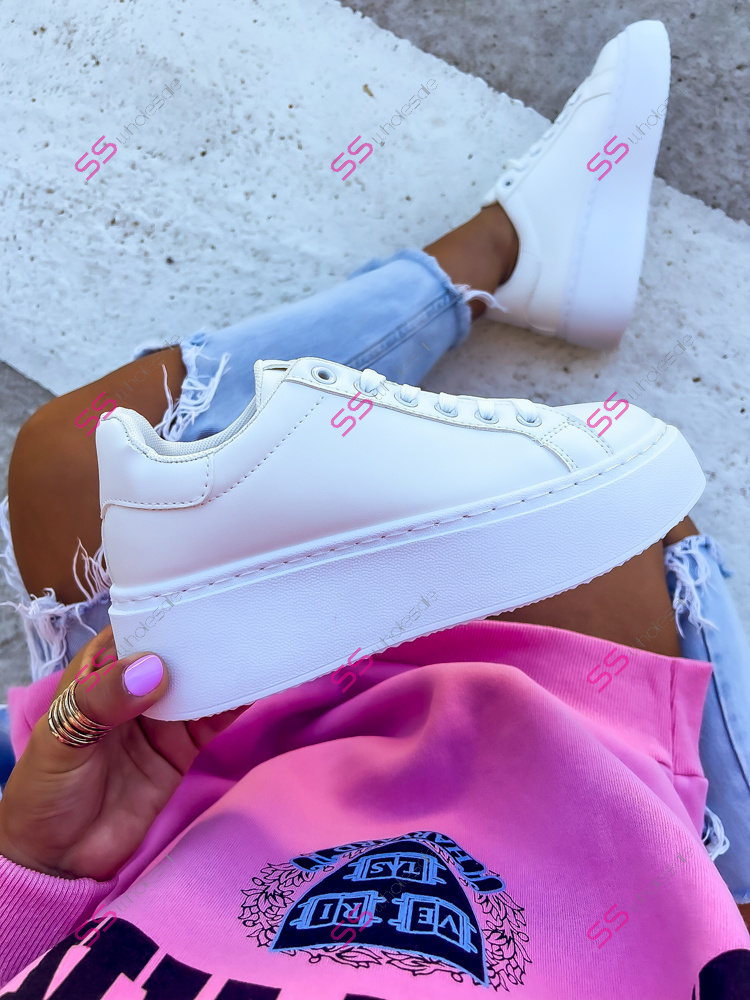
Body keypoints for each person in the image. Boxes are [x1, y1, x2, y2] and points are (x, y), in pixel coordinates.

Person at [0, 19, 749, 1000]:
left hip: (158, 820)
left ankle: (495, 256)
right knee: (610, 546)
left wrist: (41, 864)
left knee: (70, 458)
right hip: (575, 866)